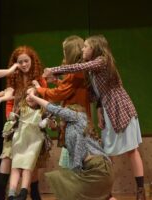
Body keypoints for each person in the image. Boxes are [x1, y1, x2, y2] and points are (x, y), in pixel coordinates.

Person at [43, 34, 146, 200]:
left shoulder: (102, 60)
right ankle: (105, 192)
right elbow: (93, 92)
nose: (83, 49)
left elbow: (77, 68)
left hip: (120, 108)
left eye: (86, 46)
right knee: (105, 153)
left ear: (95, 48)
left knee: (131, 149)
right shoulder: (90, 69)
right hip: (107, 110)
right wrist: (99, 109)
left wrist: (54, 70)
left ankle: (140, 191)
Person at [27, 88, 114, 200]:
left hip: (98, 168)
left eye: (65, 112)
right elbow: (55, 121)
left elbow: (54, 109)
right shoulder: (72, 129)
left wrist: (34, 97)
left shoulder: (77, 117)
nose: (63, 114)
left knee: (74, 194)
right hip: (92, 169)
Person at [0, 46, 47, 200]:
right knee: (6, 156)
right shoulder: (13, 78)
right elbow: (10, 102)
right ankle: (0, 194)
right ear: (15, 63)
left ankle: (34, 193)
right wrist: (10, 118)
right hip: (15, 122)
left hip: (32, 123)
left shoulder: (39, 79)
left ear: (32, 61)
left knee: (31, 159)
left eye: (26, 61)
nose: (24, 64)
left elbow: (45, 100)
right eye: (20, 62)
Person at [32, 35, 91, 169]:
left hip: (75, 121)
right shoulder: (78, 71)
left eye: (65, 51)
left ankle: (75, 187)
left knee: (75, 163)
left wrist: (39, 89)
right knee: (72, 160)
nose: (63, 54)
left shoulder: (77, 72)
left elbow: (60, 94)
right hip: (75, 119)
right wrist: (57, 82)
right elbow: (69, 90)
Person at [6, 88, 45, 200]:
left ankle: (23, 192)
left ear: (39, 97)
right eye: (27, 95)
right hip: (20, 139)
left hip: (34, 141)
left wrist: (48, 122)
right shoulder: (21, 107)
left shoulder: (42, 110)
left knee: (28, 166)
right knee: (15, 166)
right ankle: (11, 194)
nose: (29, 97)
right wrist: (12, 117)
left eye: (33, 94)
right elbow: (12, 118)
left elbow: (53, 124)